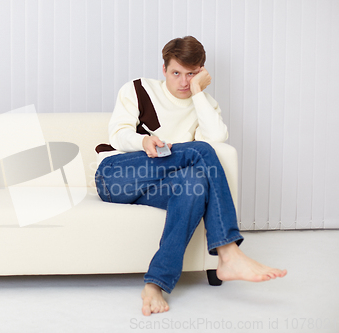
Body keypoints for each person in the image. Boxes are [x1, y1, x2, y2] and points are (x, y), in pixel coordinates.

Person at [94, 36, 287, 316]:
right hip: (118, 174)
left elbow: (218, 137)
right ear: (164, 70)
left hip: (157, 186)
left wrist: (198, 93)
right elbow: (119, 134)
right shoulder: (138, 89)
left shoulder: (204, 103)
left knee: (194, 185)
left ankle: (155, 283)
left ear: (202, 72)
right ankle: (229, 252)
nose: (183, 82)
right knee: (199, 152)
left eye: (191, 75)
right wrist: (143, 142)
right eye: (176, 73)